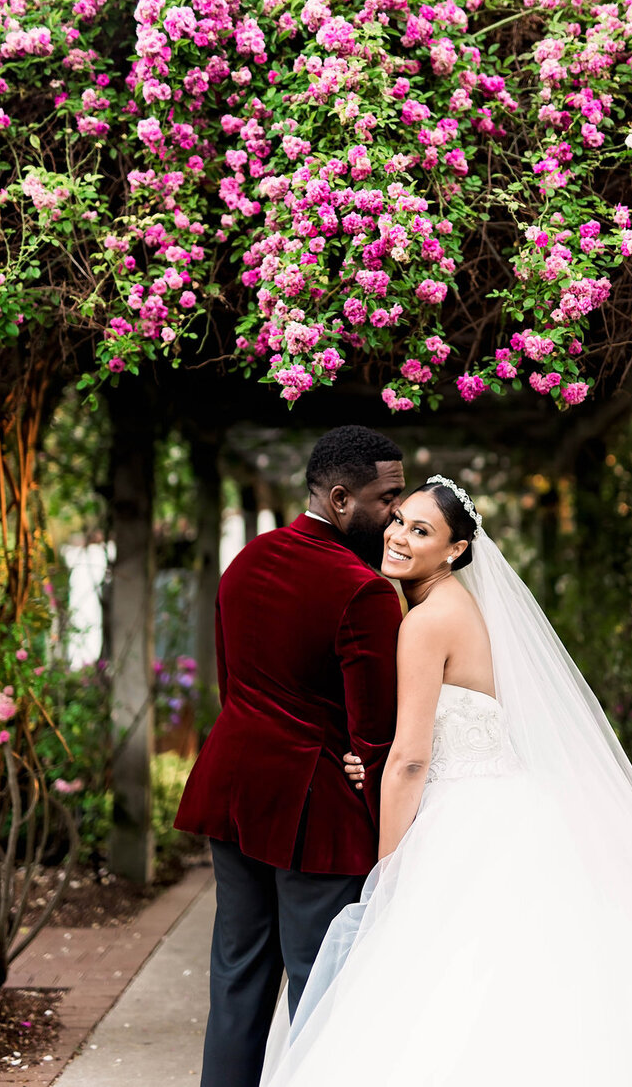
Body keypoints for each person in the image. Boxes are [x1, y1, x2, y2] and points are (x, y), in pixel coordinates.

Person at [261, 476, 632, 1086]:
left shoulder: (425, 624)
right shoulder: (457, 607)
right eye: (398, 519)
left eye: (420, 530)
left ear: (455, 550)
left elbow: (411, 760)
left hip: (459, 819)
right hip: (508, 805)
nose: (398, 535)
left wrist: (388, 872)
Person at [174, 425, 405, 1087]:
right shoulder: (361, 591)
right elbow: (376, 733)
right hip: (316, 809)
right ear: (340, 499)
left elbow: (231, 686)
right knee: (321, 987)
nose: (397, 512)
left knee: (238, 978)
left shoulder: (244, 562)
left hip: (234, 790)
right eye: (387, 498)